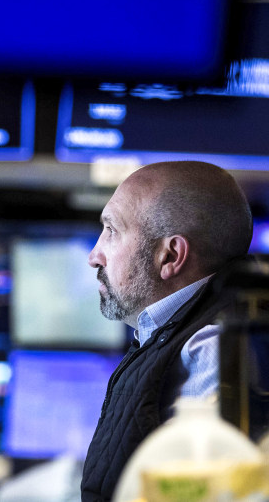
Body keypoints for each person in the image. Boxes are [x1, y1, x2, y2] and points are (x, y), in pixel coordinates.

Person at [80, 161, 253, 502]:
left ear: (170, 255)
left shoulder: (212, 352)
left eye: (112, 231)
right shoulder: (173, 333)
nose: (95, 256)